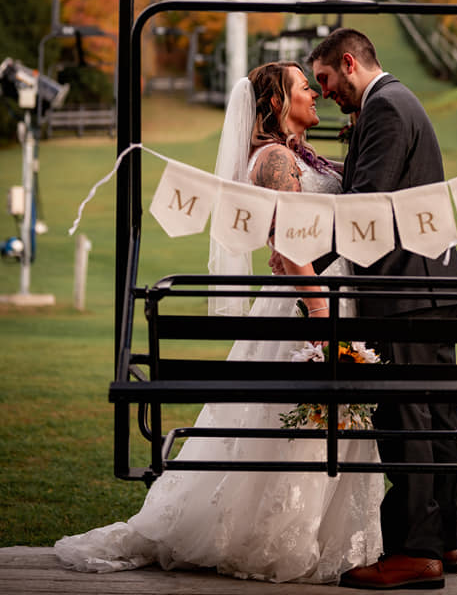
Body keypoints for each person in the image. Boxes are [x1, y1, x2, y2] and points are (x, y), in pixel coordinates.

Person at [54, 61, 384, 584]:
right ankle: (273, 538)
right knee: (295, 421)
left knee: (302, 423)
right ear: (276, 104)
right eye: (305, 88)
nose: (315, 96)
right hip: (308, 305)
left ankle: (308, 532)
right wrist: (321, 315)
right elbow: (291, 246)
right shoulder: (275, 158)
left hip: (320, 295)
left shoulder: (297, 154)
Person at [308, 28, 457, 591]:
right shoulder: (393, 103)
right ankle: (445, 538)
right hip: (427, 287)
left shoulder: (387, 109)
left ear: (348, 63)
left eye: (325, 79)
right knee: (436, 414)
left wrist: (308, 258)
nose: (324, 92)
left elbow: (365, 204)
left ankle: (416, 552)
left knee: (408, 419)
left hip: (405, 289)